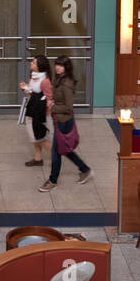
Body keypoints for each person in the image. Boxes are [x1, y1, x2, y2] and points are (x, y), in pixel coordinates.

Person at [38, 55, 91, 190]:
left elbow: (69, 108)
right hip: (60, 120)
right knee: (65, 149)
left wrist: (52, 107)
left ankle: (53, 181)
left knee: (56, 151)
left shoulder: (66, 84)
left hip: (64, 121)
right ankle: (85, 169)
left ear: (66, 67)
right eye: (56, 64)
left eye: (60, 65)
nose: (57, 67)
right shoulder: (60, 79)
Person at [20, 54, 53, 167]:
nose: (31, 63)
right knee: (35, 136)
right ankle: (38, 159)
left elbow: (49, 99)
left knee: (37, 137)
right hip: (32, 110)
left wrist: (42, 111)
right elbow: (31, 94)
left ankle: (56, 153)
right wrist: (25, 88)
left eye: (33, 62)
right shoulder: (33, 77)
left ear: (40, 66)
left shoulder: (45, 82)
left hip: (40, 114)